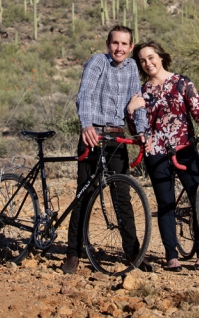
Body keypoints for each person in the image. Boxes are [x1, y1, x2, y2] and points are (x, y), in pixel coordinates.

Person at [62, 25, 150, 274]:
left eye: (124, 44)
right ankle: (73, 253)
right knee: (85, 193)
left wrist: (141, 131)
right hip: (93, 135)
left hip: (117, 137)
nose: (119, 48)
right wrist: (86, 125)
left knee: (122, 196)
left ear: (131, 47)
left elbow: (137, 102)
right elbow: (85, 95)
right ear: (108, 44)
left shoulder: (131, 68)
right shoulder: (97, 62)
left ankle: (133, 254)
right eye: (115, 43)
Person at [127, 41, 199, 272]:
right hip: (156, 153)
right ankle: (171, 256)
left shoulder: (181, 82)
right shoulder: (141, 92)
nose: (147, 63)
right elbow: (136, 128)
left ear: (160, 56)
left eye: (150, 57)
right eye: (142, 60)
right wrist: (130, 110)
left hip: (185, 148)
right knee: (165, 203)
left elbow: (198, 110)